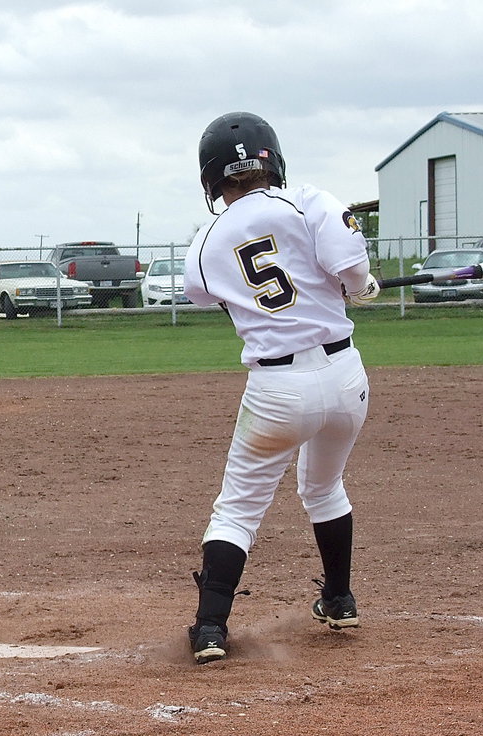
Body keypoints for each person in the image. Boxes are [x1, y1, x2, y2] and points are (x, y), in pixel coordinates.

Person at [181, 111, 380, 664]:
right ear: (275, 160)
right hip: (345, 377)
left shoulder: (206, 240)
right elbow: (349, 268)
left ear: (211, 178)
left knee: (238, 510)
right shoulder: (310, 201)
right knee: (325, 488)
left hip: (277, 388)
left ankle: (210, 629)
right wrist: (360, 287)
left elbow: (205, 291)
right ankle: (339, 599)